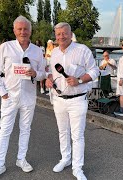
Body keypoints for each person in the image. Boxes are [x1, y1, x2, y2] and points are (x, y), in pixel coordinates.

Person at [0, 15, 46, 180]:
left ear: (30, 31)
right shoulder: (6, 47)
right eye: (19, 29)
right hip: (9, 97)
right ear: (14, 31)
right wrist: (3, 92)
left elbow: (43, 73)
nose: (23, 32)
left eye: (26, 29)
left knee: (25, 129)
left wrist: (36, 73)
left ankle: (21, 159)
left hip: (28, 96)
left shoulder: (37, 51)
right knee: (5, 131)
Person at [45, 22, 99, 180]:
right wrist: (49, 80)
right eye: (58, 33)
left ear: (70, 33)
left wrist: (80, 80)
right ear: (55, 35)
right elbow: (51, 72)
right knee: (63, 132)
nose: (61, 36)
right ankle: (65, 159)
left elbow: (94, 70)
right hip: (59, 99)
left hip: (77, 100)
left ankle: (77, 168)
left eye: (64, 33)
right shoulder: (54, 52)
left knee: (77, 136)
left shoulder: (82, 50)